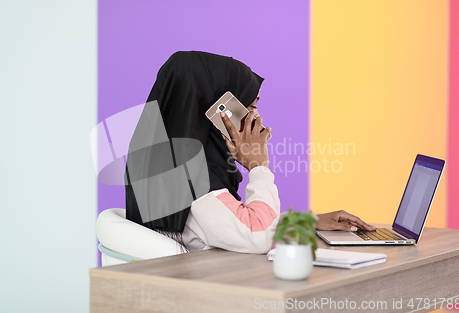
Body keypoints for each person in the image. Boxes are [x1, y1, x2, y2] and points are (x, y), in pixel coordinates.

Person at [125, 51, 375, 254]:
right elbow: (260, 235)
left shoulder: (171, 170)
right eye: (251, 106)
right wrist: (258, 165)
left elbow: (237, 222)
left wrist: (307, 222)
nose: (256, 117)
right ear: (219, 112)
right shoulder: (198, 189)